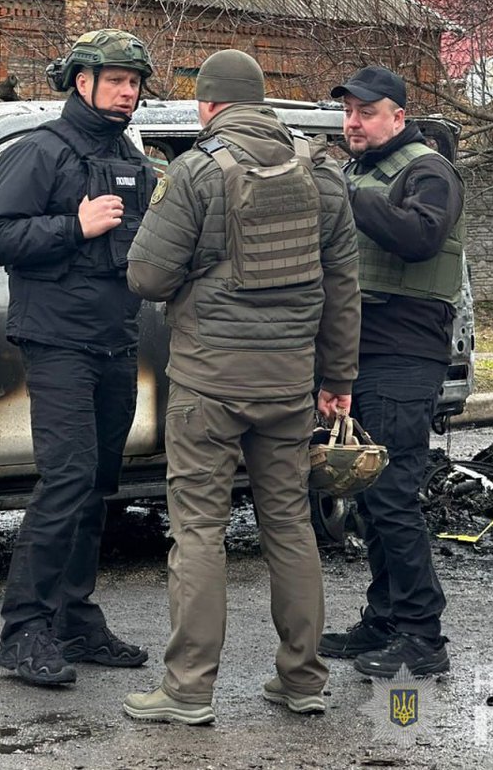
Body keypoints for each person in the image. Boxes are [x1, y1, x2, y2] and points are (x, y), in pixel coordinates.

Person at [121, 49, 361, 724]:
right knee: (289, 523)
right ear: (261, 103)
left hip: (208, 384)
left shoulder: (196, 172)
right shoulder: (323, 173)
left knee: (199, 528)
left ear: (209, 105)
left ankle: (189, 688)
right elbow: (344, 288)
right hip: (289, 384)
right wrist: (338, 378)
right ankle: (303, 678)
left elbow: (145, 277)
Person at [0, 29, 156, 687]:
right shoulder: (40, 152)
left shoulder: (134, 158)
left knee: (98, 487)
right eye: (116, 80)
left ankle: (75, 619)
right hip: (58, 344)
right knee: (67, 479)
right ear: (82, 81)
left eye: (135, 82)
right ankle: (23, 630)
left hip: (116, 342)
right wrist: (73, 227)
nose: (128, 92)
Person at [318, 66, 465, 679]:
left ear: (397, 117)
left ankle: (423, 634)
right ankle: (385, 618)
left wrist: (346, 198)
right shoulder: (359, 171)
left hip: (405, 352)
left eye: (366, 112)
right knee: (370, 494)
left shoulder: (428, 170)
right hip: (361, 352)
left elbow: (420, 238)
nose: (353, 122)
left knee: (393, 493)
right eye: (348, 111)